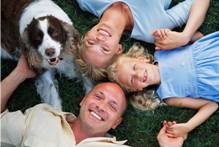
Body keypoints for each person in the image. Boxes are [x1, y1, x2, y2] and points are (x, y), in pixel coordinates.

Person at [1, 55, 186, 147]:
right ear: (83, 100)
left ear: (116, 122)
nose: (101, 106)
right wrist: (19, 73)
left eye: (113, 106)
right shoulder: (42, 117)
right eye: (98, 96)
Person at [107, 31, 219, 139]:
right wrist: (187, 127)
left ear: (142, 59)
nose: (138, 74)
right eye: (132, 80)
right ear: (137, 89)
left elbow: (197, 36)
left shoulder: (163, 51)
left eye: (134, 67)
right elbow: (211, 105)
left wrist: (177, 36)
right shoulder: (168, 96)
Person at [75, 0, 210, 76]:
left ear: (86, 34)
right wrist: (185, 36)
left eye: (90, 42)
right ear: (118, 49)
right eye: (105, 49)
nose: (100, 39)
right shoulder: (152, 30)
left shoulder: (87, 2)